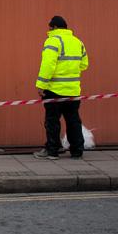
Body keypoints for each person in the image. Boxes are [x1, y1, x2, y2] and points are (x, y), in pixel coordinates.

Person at [33, 16, 88, 160]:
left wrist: (41, 85)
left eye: (50, 27)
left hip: (54, 90)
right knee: (73, 120)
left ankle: (53, 151)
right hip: (73, 90)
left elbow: (48, 65)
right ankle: (77, 150)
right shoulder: (78, 42)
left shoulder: (53, 41)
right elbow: (84, 64)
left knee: (52, 121)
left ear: (55, 27)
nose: (48, 30)